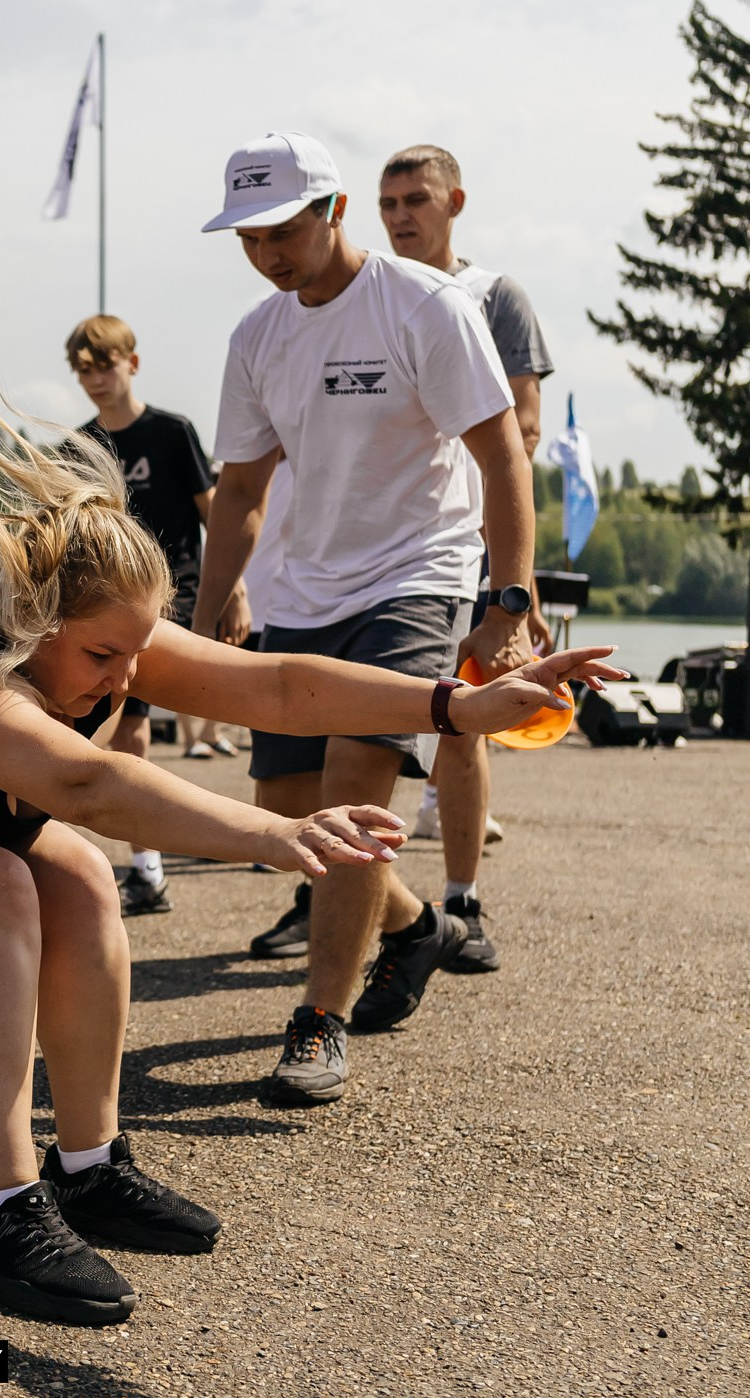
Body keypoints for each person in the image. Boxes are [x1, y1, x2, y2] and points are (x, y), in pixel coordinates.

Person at [0, 405, 619, 1325]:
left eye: (138, 649)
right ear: (35, 614)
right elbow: (88, 782)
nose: (126, 674)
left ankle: (89, 1169)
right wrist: (273, 835)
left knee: (83, 880)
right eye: (105, 655)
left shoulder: (106, 637)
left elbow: (273, 684)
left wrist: (455, 705)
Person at [189, 131, 540, 1104]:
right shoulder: (257, 338)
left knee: (351, 795)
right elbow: (243, 488)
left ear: (334, 210)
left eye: (282, 226)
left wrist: (507, 597)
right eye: (247, 233)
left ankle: (318, 1022)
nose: (265, 249)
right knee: (284, 817)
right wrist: (210, 611)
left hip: (413, 576)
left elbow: (502, 453)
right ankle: (416, 927)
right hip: (302, 593)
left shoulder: (423, 305)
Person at [379, 143, 556, 975]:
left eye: (416, 198)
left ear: (455, 201)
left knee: (460, 721)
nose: (401, 215)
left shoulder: (493, 296)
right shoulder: (374, 295)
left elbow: (521, 430)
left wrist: (512, 585)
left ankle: (460, 900)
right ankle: (340, 896)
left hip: (468, 543)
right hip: (387, 543)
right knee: (354, 719)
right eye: (388, 203)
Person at [64, 313, 238, 916]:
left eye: (104, 364)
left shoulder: (171, 432)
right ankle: (142, 865)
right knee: (101, 723)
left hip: (173, 594)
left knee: (131, 725)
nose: (95, 379)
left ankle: (149, 869)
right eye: (83, 369)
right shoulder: (79, 447)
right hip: (105, 607)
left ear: (131, 363)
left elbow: (214, 513)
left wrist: (233, 589)